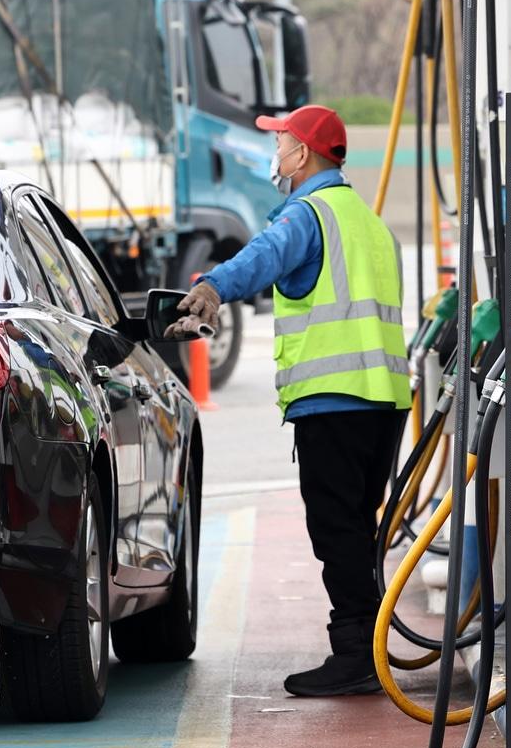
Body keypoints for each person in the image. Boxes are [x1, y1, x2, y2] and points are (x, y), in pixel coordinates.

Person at [167, 105, 411, 696]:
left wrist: (212, 287)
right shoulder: (368, 222)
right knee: (356, 527)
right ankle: (370, 648)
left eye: (280, 143)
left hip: (333, 399)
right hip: (384, 400)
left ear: (303, 153)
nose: (275, 155)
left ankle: (356, 655)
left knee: (337, 532)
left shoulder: (308, 213)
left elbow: (265, 255)